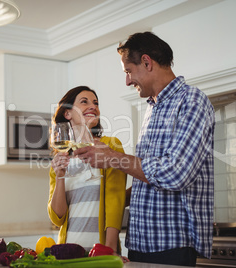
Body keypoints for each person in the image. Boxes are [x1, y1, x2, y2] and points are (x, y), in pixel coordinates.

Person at [74, 32, 215, 266]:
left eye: (128, 71)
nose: (127, 81)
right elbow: (149, 180)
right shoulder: (152, 107)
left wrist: (112, 158)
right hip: (139, 244)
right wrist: (112, 197)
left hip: (171, 245)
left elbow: (175, 173)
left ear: (147, 62)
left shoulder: (191, 101)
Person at [47, 86, 128, 259]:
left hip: (99, 253)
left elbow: (115, 199)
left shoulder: (110, 146)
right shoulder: (60, 159)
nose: (93, 106)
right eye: (84, 102)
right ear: (67, 114)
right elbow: (57, 217)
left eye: (96, 103)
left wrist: (110, 250)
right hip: (67, 254)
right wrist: (60, 176)